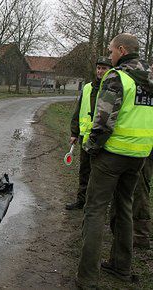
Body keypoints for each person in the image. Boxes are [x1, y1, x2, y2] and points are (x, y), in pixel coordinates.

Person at [76, 33, 153, 288]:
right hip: (139, 155)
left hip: (112, 155)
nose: (109, 56)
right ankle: (121, 267)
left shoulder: (117, 77)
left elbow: (104, 120)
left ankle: (87, 278)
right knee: (124, 208)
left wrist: (91, 147)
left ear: (121, 50)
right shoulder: (150, 77)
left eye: (111, 51)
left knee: (95, 210)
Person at [66, 57, 112, 210]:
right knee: (84, 171)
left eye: (104, 68)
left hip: (103, 139)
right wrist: (74, 132)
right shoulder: (87, 88)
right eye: (98, 68)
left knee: (99, 174)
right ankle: (81, 200)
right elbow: (78, 111)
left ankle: (95, 205)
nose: (100, 71)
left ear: (110, 70)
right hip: (85, 139)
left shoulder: (113, 88)